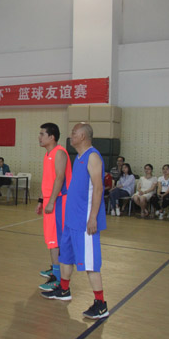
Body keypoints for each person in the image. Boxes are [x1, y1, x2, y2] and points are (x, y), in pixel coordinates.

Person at [41, 123, 109, 320]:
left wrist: (93, 217)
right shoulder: (79, 157)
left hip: (84, 221)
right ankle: (64, 289)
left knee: (90, 263)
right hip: (71, 220)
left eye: (74, 133)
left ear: (83, 136)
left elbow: (98, 189)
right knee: (65, 257)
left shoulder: (92, 156)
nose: (70, 136)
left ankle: (101, 304)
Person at [35, 123, 72, 292]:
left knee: (56, 239)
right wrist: (41, 200)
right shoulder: (48, 154)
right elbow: (48, 180)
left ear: (52, 137)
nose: (39, 137)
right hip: (51, 200)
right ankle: (55, 269)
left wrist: (51, 202)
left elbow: (60, 178)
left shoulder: (59, 153)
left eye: (42, 134)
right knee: (51, 238)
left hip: (59, 201)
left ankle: (57, 278)